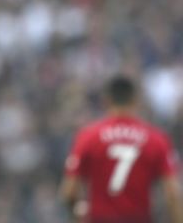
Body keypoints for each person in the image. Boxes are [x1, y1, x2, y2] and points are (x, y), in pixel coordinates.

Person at [59, 75, 183, 223]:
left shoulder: (88, 137)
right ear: (136, 100)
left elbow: (69, 191)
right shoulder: (156, 139)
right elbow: (172, 193)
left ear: (106, 100)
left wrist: (79, 212)